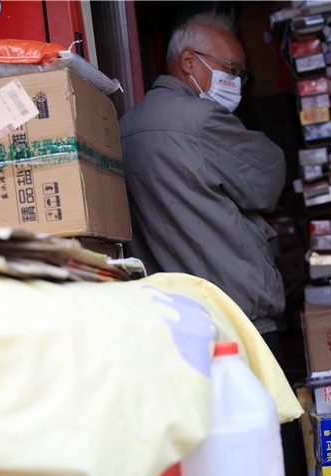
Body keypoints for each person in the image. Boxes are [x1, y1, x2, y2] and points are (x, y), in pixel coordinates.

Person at [119, 11, 287, 357]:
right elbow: (268, 179)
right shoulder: (202, 120)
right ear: (189, 62)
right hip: (234, 318)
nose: (236, 81)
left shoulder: (125, 126)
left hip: (173, 322)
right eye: (231, 69)